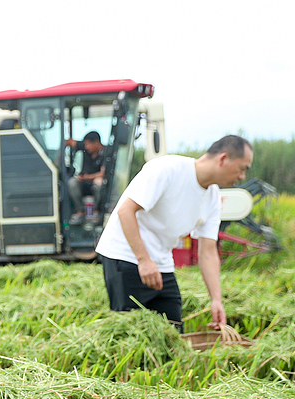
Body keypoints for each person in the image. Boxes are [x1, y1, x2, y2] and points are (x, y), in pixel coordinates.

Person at [95, 135, 253, 332]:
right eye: (242, 169)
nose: (242, 177)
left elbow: (208, 252)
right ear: (223, 159)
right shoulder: (168, 169)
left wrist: (216, 300)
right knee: (130, 333)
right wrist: (143, 260)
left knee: (174, 330)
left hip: (160, 261)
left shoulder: (213, 198)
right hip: (125, 255)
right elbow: (125, 211)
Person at [65, 131, 106, 224]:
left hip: (95, 183)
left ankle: (97, 212)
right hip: (84, 183)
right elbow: (69, 142)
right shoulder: (85, 147)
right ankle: (80, 212)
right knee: (72, 182)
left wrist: (88, 177)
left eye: (88, 144)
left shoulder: (106, 153)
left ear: (96, 143)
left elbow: (102, 173)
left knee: (99, 182)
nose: (86, 147)